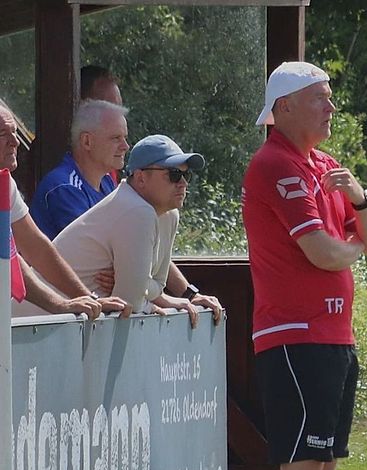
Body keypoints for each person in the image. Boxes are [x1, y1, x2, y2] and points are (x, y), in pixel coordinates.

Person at [243, 61, 367, 470]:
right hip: (293, 335)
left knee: (323, 465)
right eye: (320, 98)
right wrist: (343, 243)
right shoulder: (275, 163)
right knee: (300, 465)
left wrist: (361, 201)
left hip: (332, 334)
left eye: (331, 97)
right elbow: (325, 252)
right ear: (285, 108)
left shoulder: (326, 166)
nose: (331, 108)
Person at [45, 134, 222, 327]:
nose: (183, 184)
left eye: (185, 175)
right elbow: (130, 303)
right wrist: (141, 291)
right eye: (173, 175)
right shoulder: (137, 210)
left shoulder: (168, 215)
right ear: (140, 178)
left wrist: (153, 291)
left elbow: (155, 287)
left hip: (69, 327)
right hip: (39, 326)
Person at [1, 101, 128, 318]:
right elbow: (12, 259)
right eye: (3, 133)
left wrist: (88, 299)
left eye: (15, 132)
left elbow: (36, 248)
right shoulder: (63, 187)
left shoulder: (5, 184)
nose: (15, 141)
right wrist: (60, 304)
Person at [31, 100, 129, 239]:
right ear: (86, 141)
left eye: (125, 137)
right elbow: (95, 249)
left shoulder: (106, 181)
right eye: (115, 138)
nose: (125, 146)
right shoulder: (65, 187)